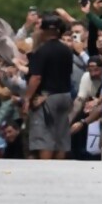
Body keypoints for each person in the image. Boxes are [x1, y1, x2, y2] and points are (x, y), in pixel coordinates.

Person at [22, 15, 75, 160]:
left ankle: (46, 170)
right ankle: (59, 169)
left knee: (45, 137)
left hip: (46, 98)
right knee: (61, 137)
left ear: (44, 31)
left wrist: (27, 99)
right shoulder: (67, 51)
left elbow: (36, 77)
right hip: (65, 95)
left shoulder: (42, 51)